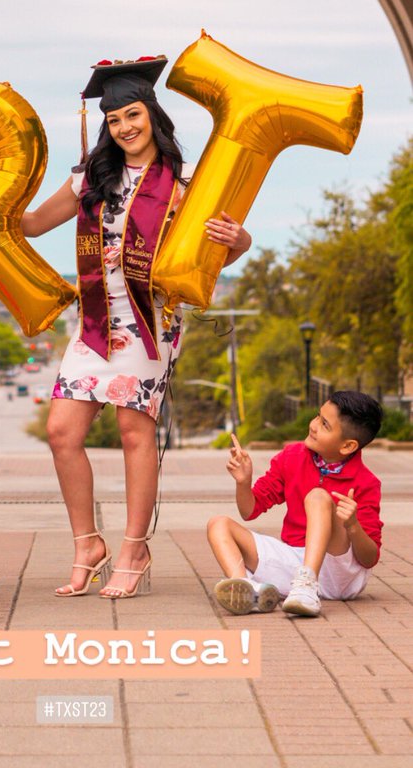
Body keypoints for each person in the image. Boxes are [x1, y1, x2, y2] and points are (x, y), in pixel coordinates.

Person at [21, 55, 251, 599]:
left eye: (133, 115)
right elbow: (30, 225)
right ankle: (87, 544)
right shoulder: (89, 179)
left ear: (152, 114)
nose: (124, 128)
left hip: (150, 322)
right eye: (115, 120)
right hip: (96, 320)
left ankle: (133, 546)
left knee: (133, 433)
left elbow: (221, 252)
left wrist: (239, 241)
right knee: (61, 432)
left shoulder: (186, 183)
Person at [207, 390, 383, 617]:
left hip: (339, 573)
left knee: (318, 496)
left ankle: (307, 586)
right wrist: (243, 482)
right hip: (294, 561)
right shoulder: (292, 457)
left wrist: (352, 526)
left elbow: (369, 559)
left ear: (348, 446)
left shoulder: (366, 482)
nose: (313, 425)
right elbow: (249, 510)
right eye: (318, 417)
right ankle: (246, 589)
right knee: (218, 524)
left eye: (325, 425)